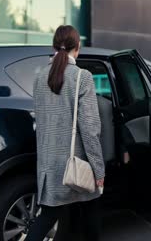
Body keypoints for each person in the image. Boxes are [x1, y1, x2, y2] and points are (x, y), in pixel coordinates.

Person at [27, 25, 105, 241]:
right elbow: (89, 129)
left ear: (54, 46)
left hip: (48, 166)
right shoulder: (82, 77)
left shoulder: (39, 76)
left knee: (48, 218)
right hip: (75, 165)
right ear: (77, 47)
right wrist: (99, 170)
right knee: (90, 219)